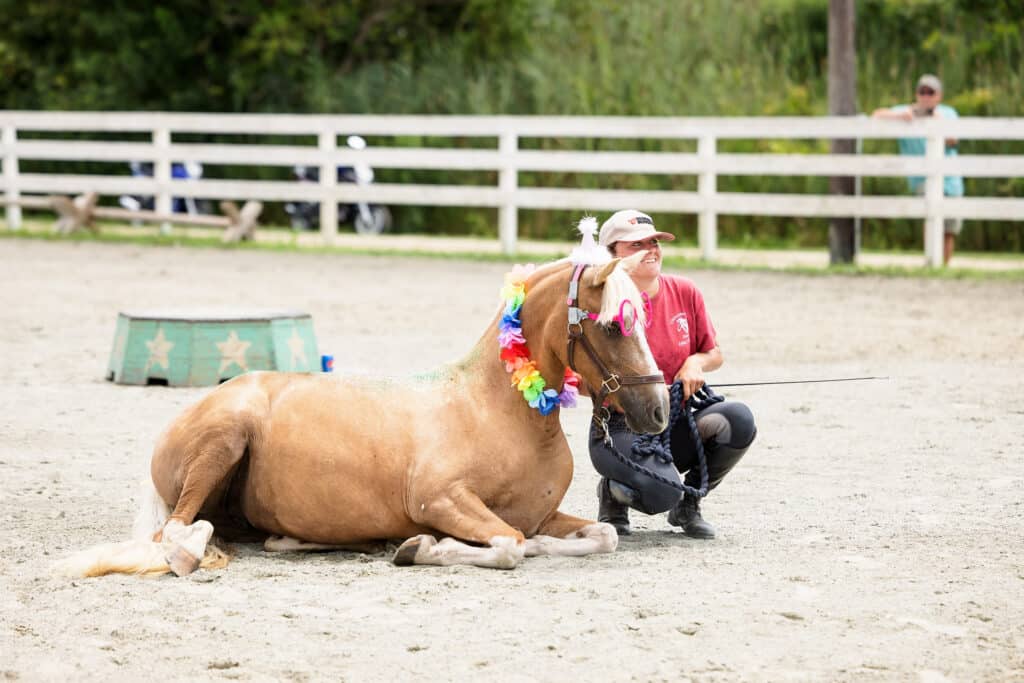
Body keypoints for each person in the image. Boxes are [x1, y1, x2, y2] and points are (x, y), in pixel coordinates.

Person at [591, 209, 757, 539]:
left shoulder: (685, 291)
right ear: (611, 256)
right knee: (661, 492)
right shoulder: (600, 304)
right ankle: (613, 493)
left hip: (674, 419)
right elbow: (580, 380)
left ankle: (688, 504)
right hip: (621, 426)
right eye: (636, 245)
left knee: (738, 420)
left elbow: (714, 353)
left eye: (654, 242)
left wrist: (695, 363)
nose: (650, 249)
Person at [871, 74, 965, 265]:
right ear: (916, 94)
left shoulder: (947, 113)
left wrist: (937, 122)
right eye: (922, 92)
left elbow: (954, 139)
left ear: (939, 96)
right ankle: (931, 261)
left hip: (951, 180)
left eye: (930, 92)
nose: (926, 96)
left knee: (949, 228)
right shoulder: (906, 112)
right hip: (922, 179)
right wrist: (901, 116)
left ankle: (943, 267)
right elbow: (876, 116)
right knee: (930, 217)